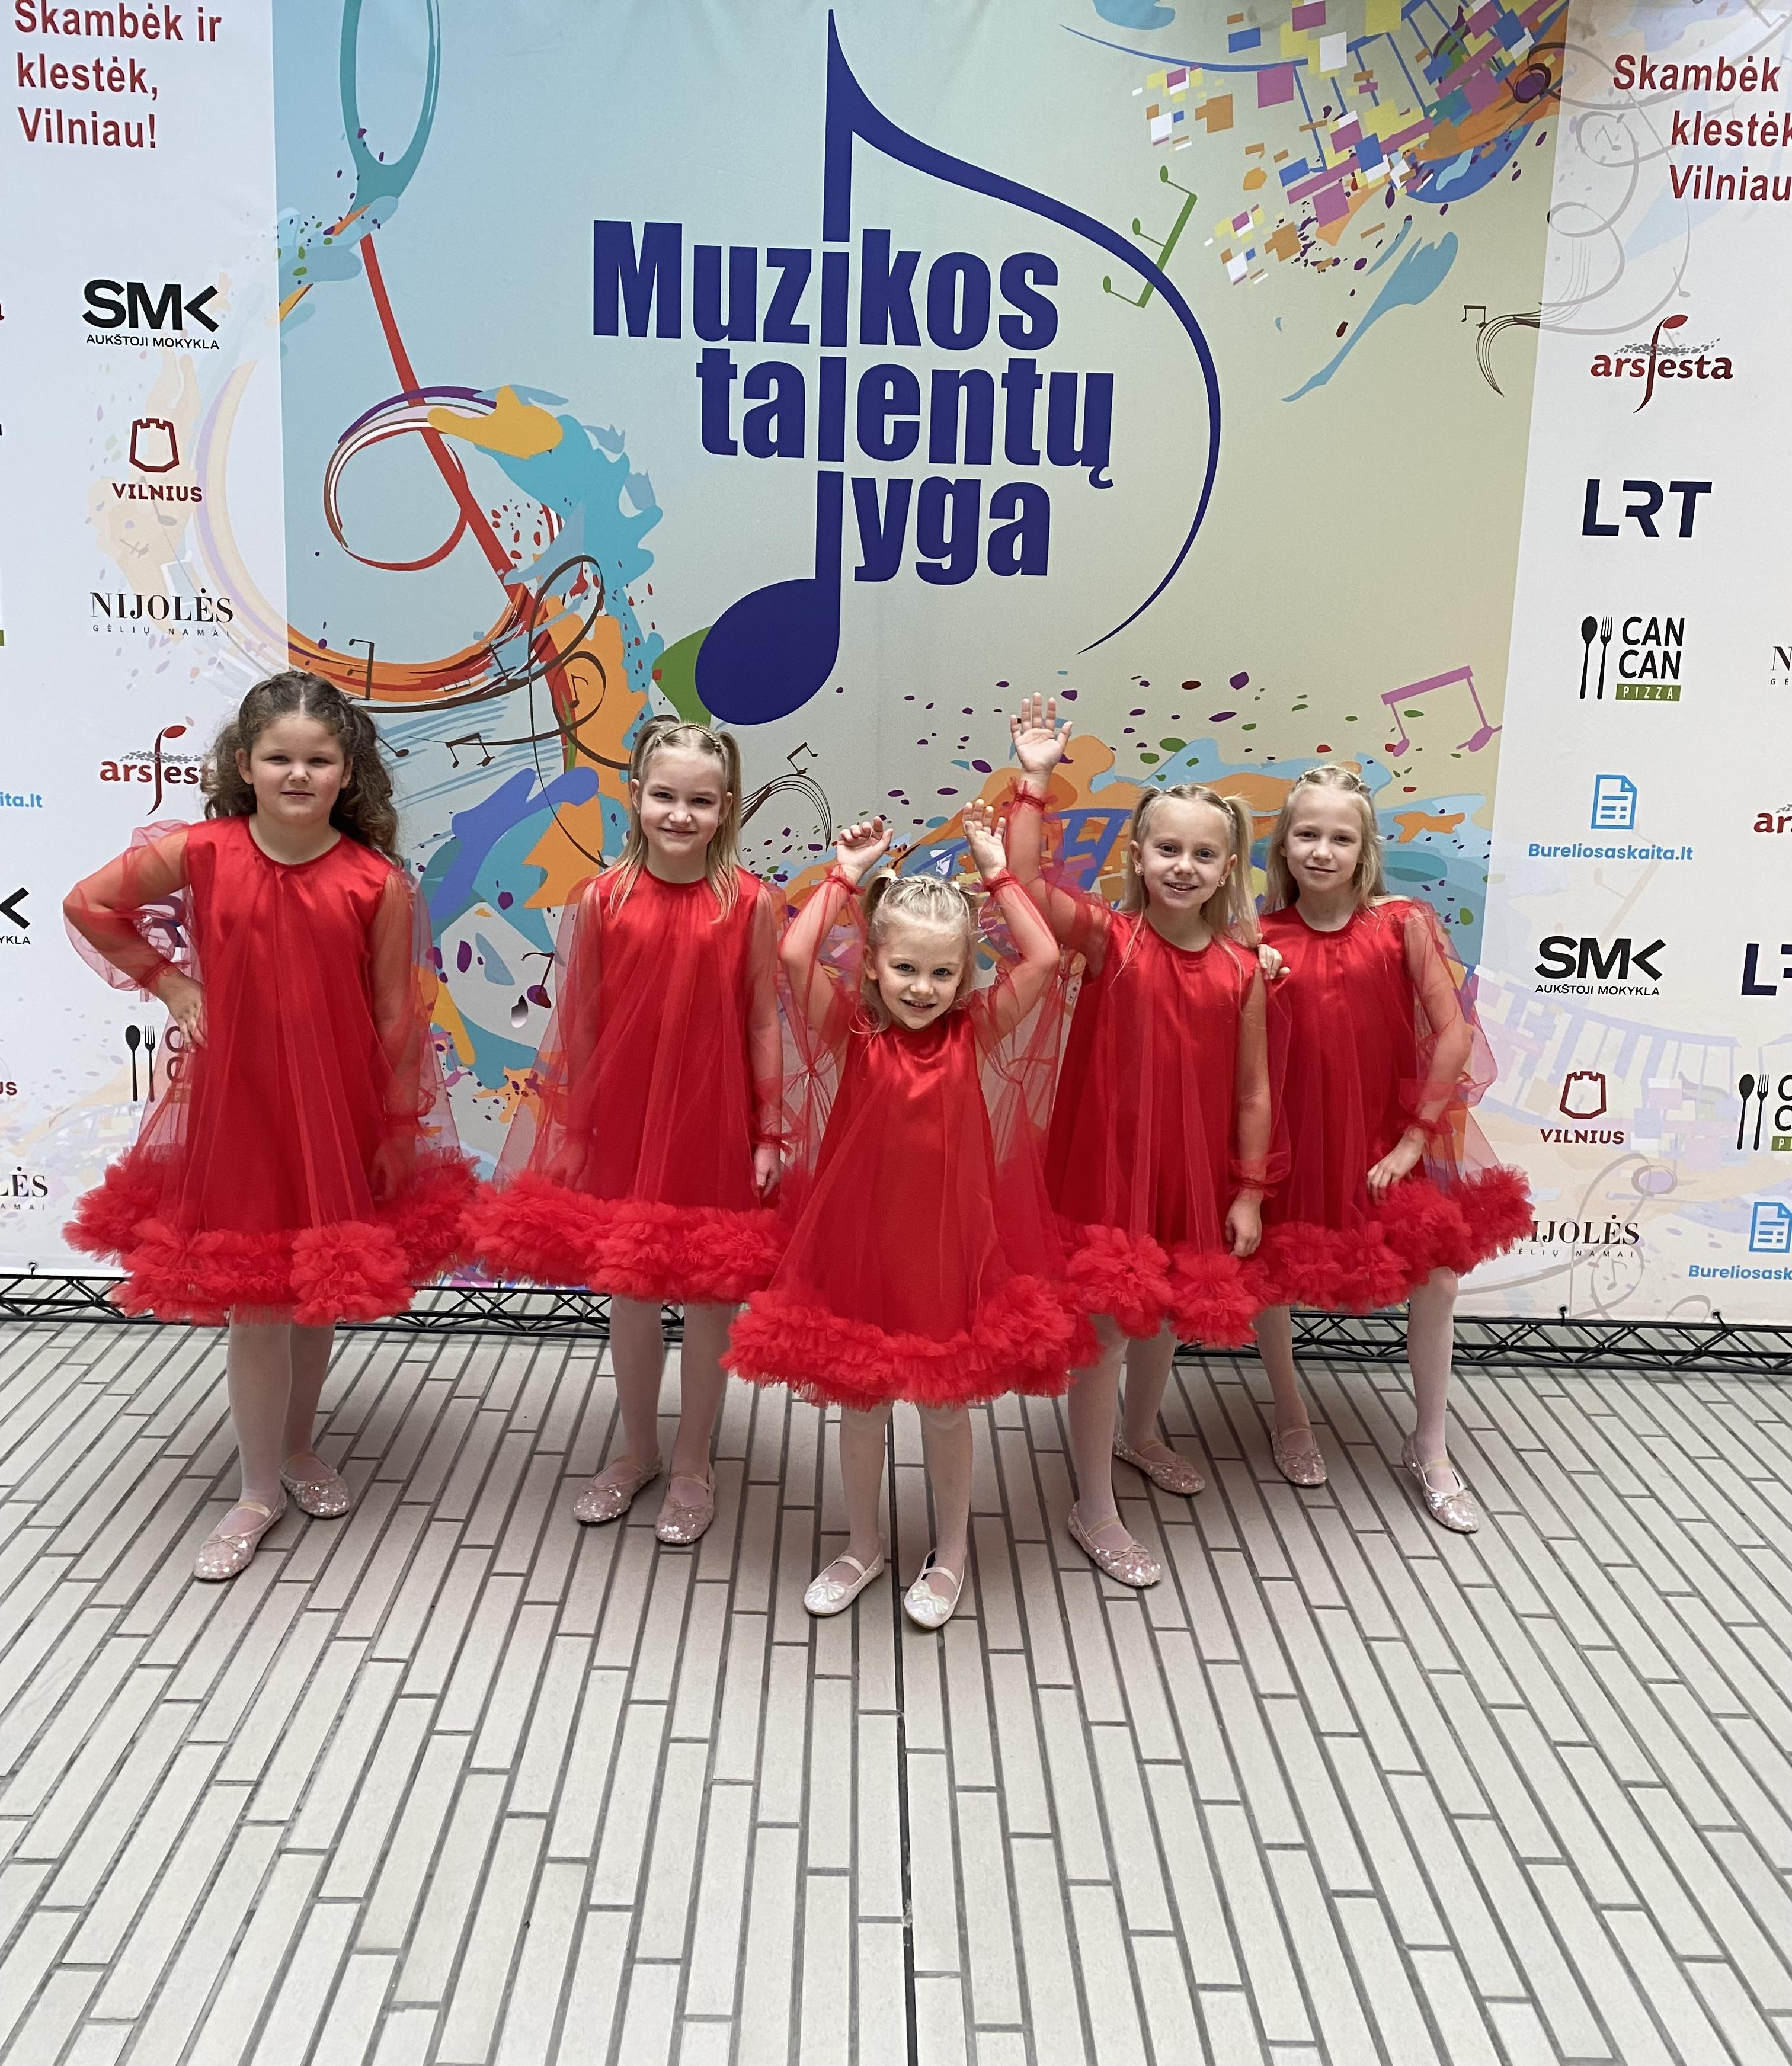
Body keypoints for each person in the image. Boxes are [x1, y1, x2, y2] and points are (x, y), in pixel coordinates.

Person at [63, 670, 473, 1581]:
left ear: (347, 771)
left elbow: (395, 1016)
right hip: (241, 1108)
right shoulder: (206, 853)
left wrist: (392, 1129)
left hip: (338, 1111)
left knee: (317, 1282)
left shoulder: (374, 883)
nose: (298, 775)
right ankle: (255, 1492)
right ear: (244, 765)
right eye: (279, 758)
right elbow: (89, 904)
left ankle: (296, 1446)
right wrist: (172, 984)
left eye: (318, 760)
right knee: (256, 1304)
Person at [727, 801, 1074, 1631]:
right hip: (862, 1244)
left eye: (942, 973)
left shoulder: (975, 1031)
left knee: (945, 1407)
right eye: (906, 969)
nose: (923, 988)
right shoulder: (853, 1032)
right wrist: (844, 878)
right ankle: (863, 1545)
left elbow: (1045, 955)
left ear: (965, 977)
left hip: (949, 1250)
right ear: (875, 967)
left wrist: (998, 873)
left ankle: (950, 1552)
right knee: (862, 1404)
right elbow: (794, 952)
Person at [467, 718, 783, 1546]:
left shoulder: (749, 904)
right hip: (626, 1117)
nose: (681, 815)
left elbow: (762, 1021)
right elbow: (579, 1020)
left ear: (726, 807)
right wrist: (574, 1128)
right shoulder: (601, 898)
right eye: (665, 796)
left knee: (710, 1294)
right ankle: (637, 1448)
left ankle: (693, 1460)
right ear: (636, 796)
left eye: (701, 802)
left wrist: (771, 1130)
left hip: (714, 1121)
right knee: (632, 1291)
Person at [1005, 696, 1275, 1587]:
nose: (1183, 867)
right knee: (1110, 1330)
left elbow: (1253, 1089)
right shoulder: (1107, 938)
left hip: (1188, 1175)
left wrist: (1247, 1191)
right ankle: (1093, 1503)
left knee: (1165, 1313)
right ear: (1138, 854)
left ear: (1228, 866)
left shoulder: (1242, 968)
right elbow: (1025, 884)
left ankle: (1140, 1433)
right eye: (1167, 850)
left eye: (1203, 854)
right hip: (1105, 1167)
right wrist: (1035, 781)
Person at [1254, 766, 1531, 1529]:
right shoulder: (1260, 937)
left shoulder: (1402, 923)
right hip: (1292, 1135)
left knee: (1437, 1277)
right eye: (1307, 834)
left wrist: (1414, 1139)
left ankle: (1430, 1442)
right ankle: (1289, 1413)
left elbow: (1454, 1034)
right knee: (1275, 1271)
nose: (1322, 851)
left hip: (1386, 1133)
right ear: (1284, 845)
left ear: (1365, 848)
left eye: (1340, 838)